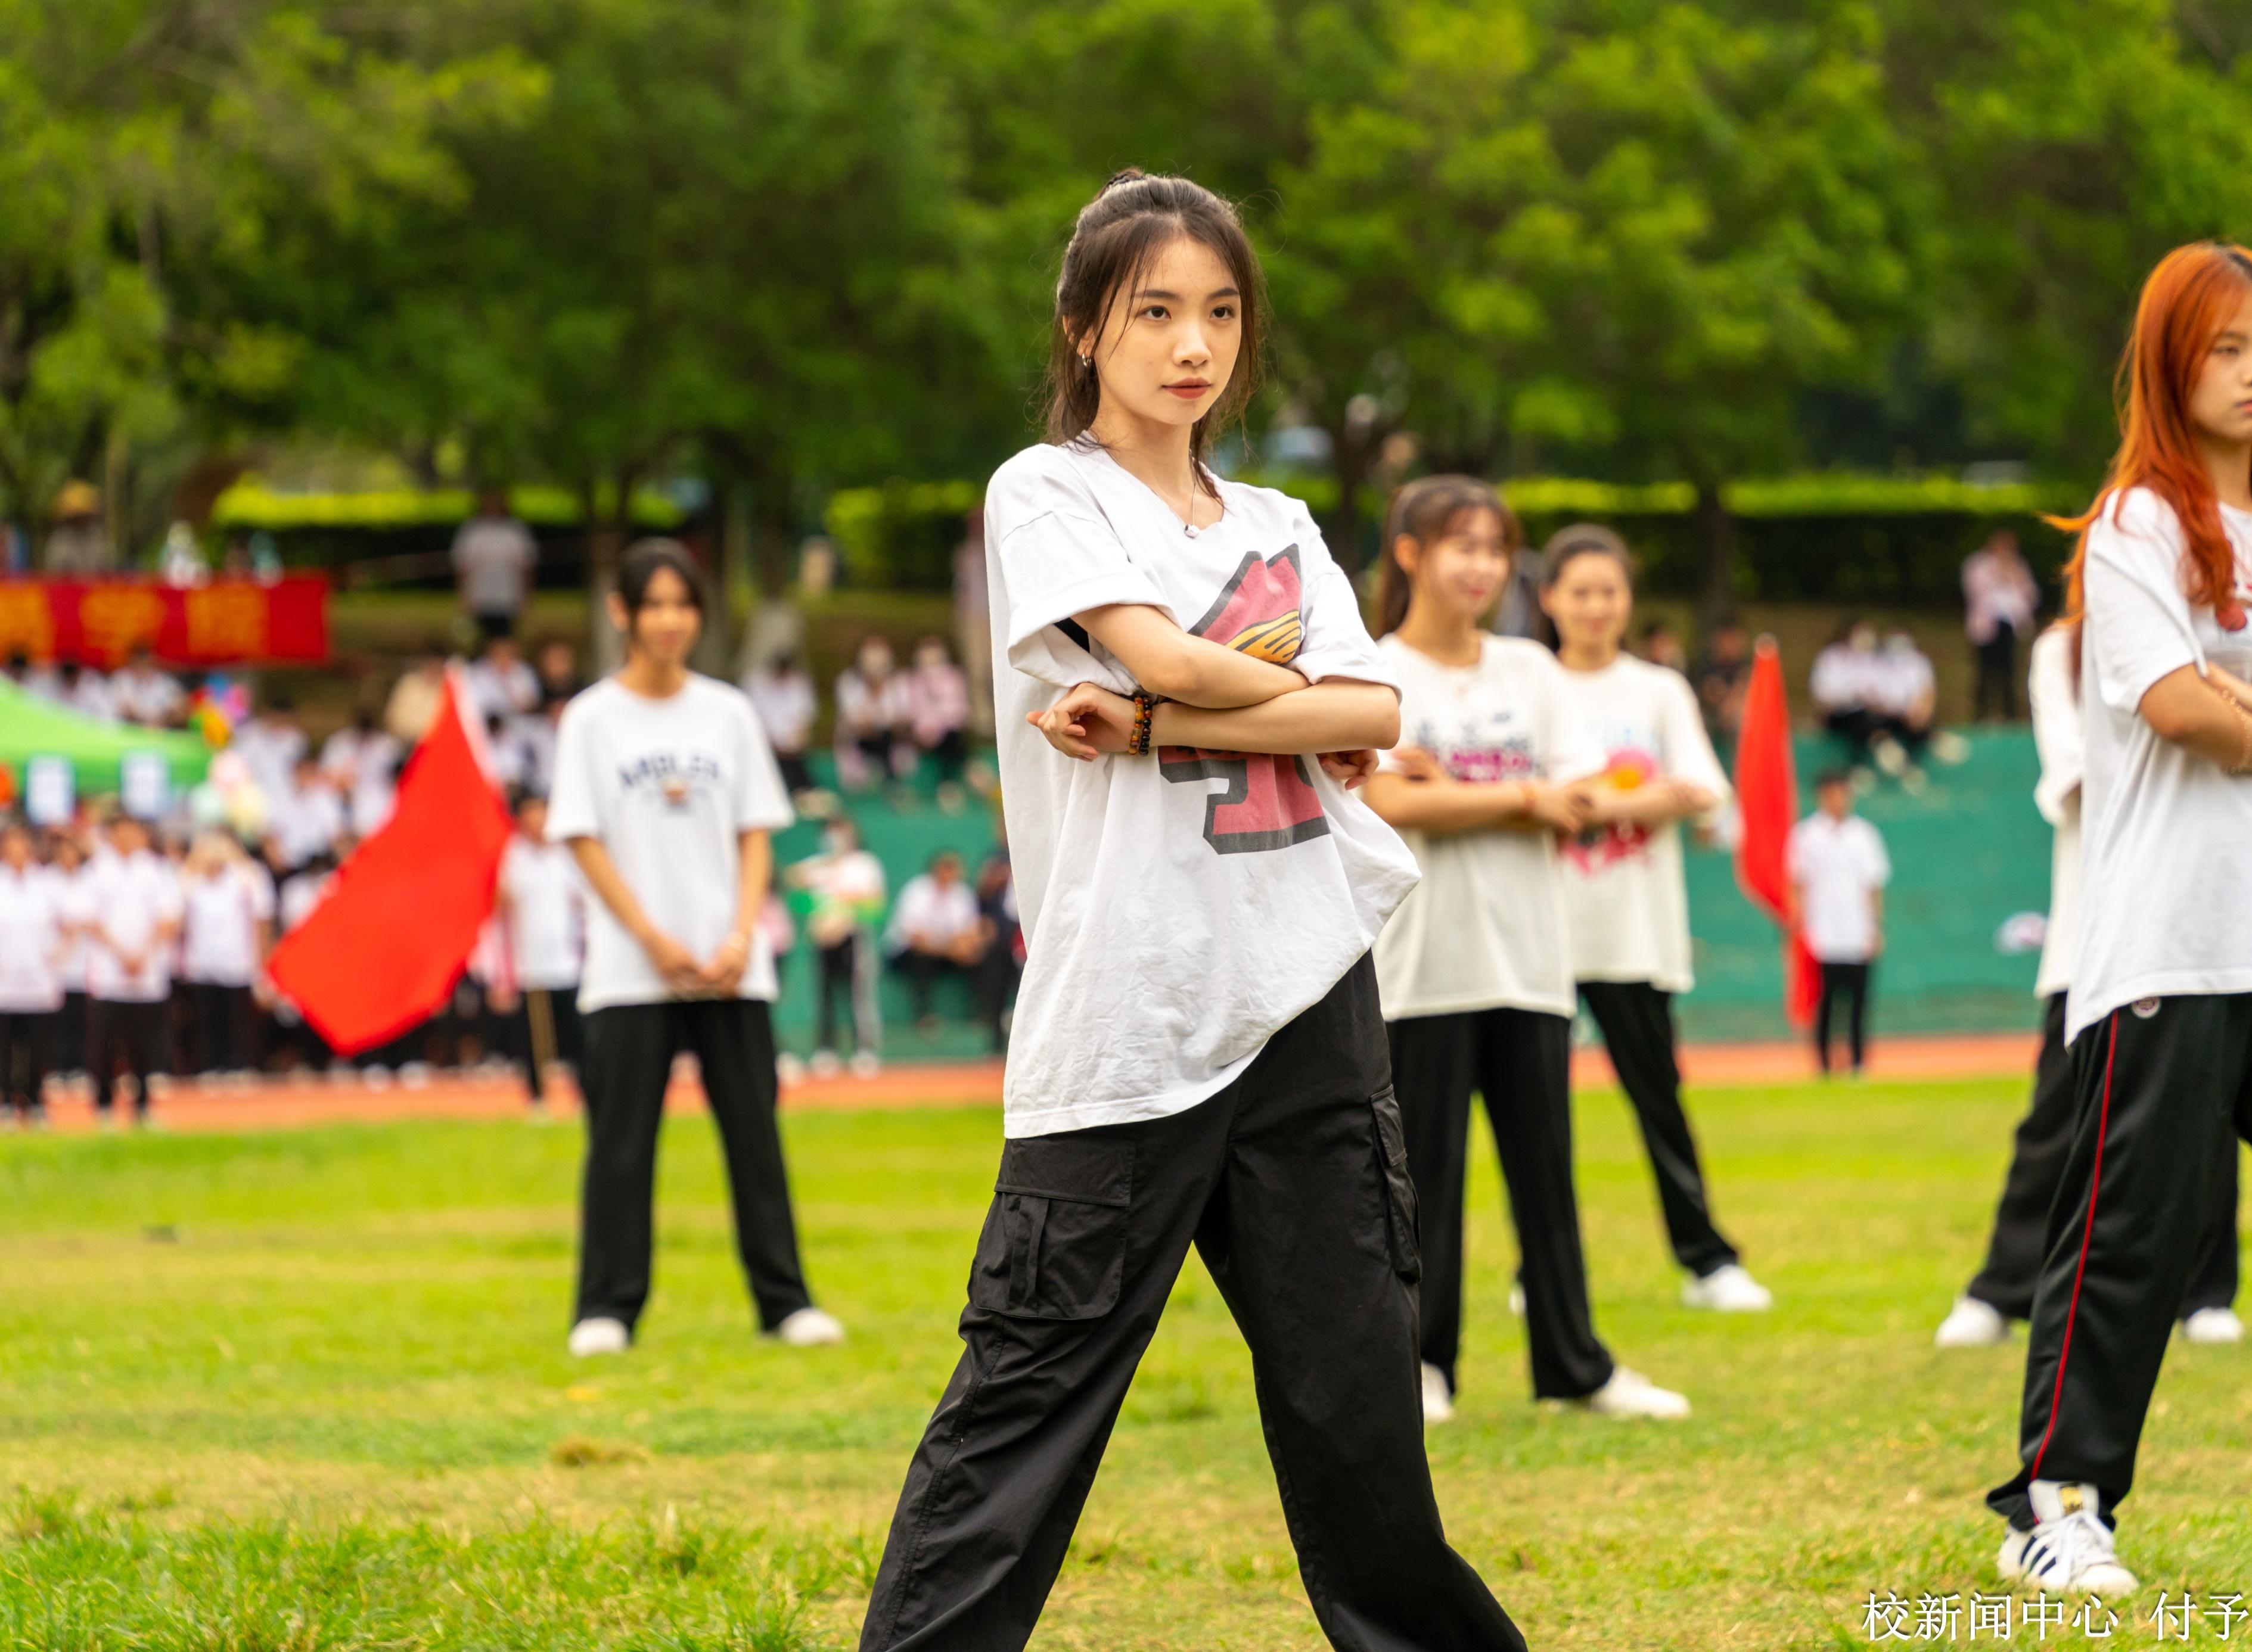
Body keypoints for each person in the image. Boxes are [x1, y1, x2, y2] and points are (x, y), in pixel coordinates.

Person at [859, 173, 1527, 1652]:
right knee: (1023, 1405)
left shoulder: (1281, 519)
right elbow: (1164, 645)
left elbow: (1377, 704)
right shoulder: (1045, 493)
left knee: (1361, 1428)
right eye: (1153, 310)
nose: (1190, 344)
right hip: (1131, 1005)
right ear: (1082, 326)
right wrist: (1286, 703)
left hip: (1305, 996)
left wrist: (1169, 725)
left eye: (1217, 311)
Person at [1978, 242, 2252, 1598]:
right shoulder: (2137, 521)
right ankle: (2055, 1500)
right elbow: (2181, 710)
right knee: (2128, 1237)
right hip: (2168, 939)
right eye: (2226, 347)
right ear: (2166, 361)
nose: (2251, 372)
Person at [1360, 481, 1693, 1430]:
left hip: (1530, 961)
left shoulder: (1529, 670)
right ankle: (1423, 1365)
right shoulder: (1375, 670)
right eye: (1458, 545)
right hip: (1421, 964)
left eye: (1494, 548)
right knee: (1421, 1180)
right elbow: (1386, 803)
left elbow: (1579, 794)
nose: (1479, 565)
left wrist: (1451, 782)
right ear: (1410, 553)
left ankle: (1573, 1363)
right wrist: (1511, 797)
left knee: (1545, 1174)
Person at [546, 538, 841, 1358]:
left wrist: (739, 937)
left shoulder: (728, 712)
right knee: (619, 1145)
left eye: (684, 604)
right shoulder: (591, 719)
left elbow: (755, 834)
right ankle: (606, 1308)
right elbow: (581, 838)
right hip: (629, 970)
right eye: (654, 604)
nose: (670, 619)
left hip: (727, 965)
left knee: (754, 1137)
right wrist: (650, 938)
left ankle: (785, 1303)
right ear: (622, 614)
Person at [1936, 622, 2242, 1351]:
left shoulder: (2210, 632)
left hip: (2204, 927)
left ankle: (2203, 1291)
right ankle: (2001, 1287)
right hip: (2095, 934)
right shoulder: (2062, 650)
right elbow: (2075, 779)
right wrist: (2185, 742)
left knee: (2210, 1110)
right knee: (2056, 1119)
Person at [1541, 524, 1773, 1314]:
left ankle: (1706, 1260)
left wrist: (1590, 802)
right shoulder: (1527, 685)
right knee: (1534, 1119)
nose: (1594, 606)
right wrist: (1641, 798)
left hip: (1632, 933)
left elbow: (1704, 795)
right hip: (1538, 936)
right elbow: (1533, 802)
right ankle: (1536, 1271)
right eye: (1578, 591)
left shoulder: (1657, 690)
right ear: (1548, 600)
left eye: (1608, 591)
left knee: (1658, 1103)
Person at [82, 814, 184, 1125]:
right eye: (121, 832)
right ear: (111, 835)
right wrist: (121, 954)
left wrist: (143, 953)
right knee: (104, 1044)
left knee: (147, 1044)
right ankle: (103, 1106)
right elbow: (90, 918)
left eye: (133, 832)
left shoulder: (155, 870)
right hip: (109, 974)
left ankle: (142, 1106)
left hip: (147, 973)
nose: (127, 838)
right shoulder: (97, 870)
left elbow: (169, 917)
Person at [1789, 769, 1889, 1075]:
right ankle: (1823, 1065)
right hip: (1822, 934)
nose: (1838, 800)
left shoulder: (1865, 834)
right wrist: (1801, 926)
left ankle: (1858, 1063)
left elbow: (1873, 885)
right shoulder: (1806, 836)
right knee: (1827, 1005)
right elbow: (1797, 883)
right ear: (1821, 796)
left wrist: (1874, 927)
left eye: (1843, 793)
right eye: (1832, 793)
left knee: (1859, 1004)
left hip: (1857, 932)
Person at [493, 792, 585, 1113]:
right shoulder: (512, 857)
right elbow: (501, 906)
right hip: (530, 965)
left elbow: (582, 900)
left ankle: (584, 1094)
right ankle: (537, 1098)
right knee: (534, 1039)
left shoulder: (566, 857)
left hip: (567, 961)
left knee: (577, 1035)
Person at [787, 817, 886, 1075]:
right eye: (831, 834)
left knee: (858, 996)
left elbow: (875, 902)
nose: (835, 839)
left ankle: (865, 1050)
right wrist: (824, 868)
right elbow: (792, 878)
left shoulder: (865, 864)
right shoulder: (819, 864)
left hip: (853, 938)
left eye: (841, 833)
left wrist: (844, 907)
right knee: (825, 995)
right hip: (822, 940)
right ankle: (827, 1051)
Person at [176, 830, 273, 1075]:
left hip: (237, 959)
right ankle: (210, 1065)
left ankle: (240, 1064)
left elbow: (261, 921)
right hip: (202, 960)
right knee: (207, 1018)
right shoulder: (190, 881)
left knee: (237, 1017)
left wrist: (262, 961)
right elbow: (179, 921)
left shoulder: (246, 878)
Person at [0, 819, 65, 1126]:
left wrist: (57, 955)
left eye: (22, 846)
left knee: (38, 1047)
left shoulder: (46, 884)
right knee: (5, 1047)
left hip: (39, 980)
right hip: (4, 981)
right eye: (10, 846)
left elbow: (72, 923)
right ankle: (7, 1102)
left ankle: (36, 1100)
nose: (16, 852)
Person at [883, 850, 989, 1031]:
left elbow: (970, 932)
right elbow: (916, 938)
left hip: (948, 953)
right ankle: (925, 1016)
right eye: (945, 869)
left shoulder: (963, 893)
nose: (950, 875)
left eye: (954, 870)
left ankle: (982, 1015)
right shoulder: (916, 890)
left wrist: (966, 948)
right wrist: (952, 949)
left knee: (984, 957)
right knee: (921, 958)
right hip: (905, 953)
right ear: (935, 870)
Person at [1963, 528, 2040, 721]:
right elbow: (1974, 591)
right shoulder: (1978, 565)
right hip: (1985, 626)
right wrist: (1999, 574)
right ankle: (1981, 716)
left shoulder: (2019, 566)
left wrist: (2014, 575)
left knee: (2009, 672)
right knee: (1984, 672)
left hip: (2010, 626)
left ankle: (2009, 715)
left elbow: (2031, 596)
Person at [451, 490, 537, 642]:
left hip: (508, 598)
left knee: (504, 640)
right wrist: (463, 596)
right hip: (480, 597)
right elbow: (463, 567)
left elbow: (525, 567)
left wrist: (527, 597)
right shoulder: (472, 531)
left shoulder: (515, 531)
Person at [833, 635, 911, 790]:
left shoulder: (899, 681)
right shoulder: (848, 681)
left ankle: (891, 780)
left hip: (890, 738)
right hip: (858, 739)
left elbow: (902, 717)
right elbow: (852, 720)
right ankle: (889, 781)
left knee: (885, 737)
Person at [741, 651, 818, 795]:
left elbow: (803, 722)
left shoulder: (799, 684)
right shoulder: (755, 682)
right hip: (763, 745)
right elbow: (751, 719)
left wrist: (793, 742)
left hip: (791, 749)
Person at [1808, 619, 1882, 766]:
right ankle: (1861, 763)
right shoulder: (1830, 658)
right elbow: (1823, 697)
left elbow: (1875, 692)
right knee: (1861, 720)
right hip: (1835, 714)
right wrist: (1851, 697)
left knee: (1869, 719)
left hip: (1864, 713)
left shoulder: (1869, 659)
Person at [904, 634, 972, 788]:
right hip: (922, 731)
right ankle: (965, 774)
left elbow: (960, 709)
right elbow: (912, 710)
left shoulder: (954, 676)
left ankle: (948, 782)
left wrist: (939, 724)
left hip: (949, 729)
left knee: (950, 739)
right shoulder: (913, 679)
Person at [1689, 616, 1752, 755]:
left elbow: (1749, 691)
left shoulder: (1746, 665)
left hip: (1737, 714)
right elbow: (1711, 693)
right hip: (1711, 716)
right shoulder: (1707, 666)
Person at [466, 633, 541, 723]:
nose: (504, 655)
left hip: (520, 723)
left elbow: (532, 704)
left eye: (508, 651)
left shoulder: (524, 670)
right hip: (487, 725)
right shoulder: (477, 672)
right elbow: (474, 707)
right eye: (499, 651)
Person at [110, 646, 185, 729]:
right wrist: (146, 722)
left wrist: (163, 719)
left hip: (163, 728)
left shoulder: (164, 680)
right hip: (130, 728)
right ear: (132, 662)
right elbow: (124, 709)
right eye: (139, 661)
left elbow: (180, 705)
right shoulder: (122, 678)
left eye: (146, 661)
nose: (142, 665)